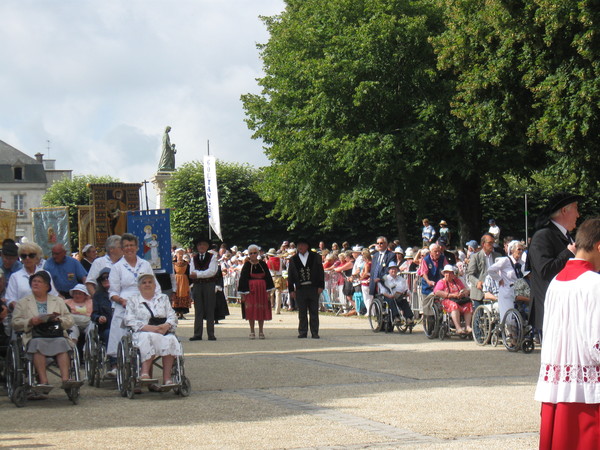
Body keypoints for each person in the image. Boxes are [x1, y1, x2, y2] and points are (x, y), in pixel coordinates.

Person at [534, 218, 600, 449]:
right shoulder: (594, 284)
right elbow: (597, 342)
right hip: (588, 394)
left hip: (558, 388)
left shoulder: (556, 282)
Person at [527, 192, 582, 334]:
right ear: (564, 210)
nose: (578, 215)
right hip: (551, 310)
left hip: (566, 309)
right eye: (576, 208)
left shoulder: (566, 237)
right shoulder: (543, 235)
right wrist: (568, 253)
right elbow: (545, 271)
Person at [11, 271, 75, 388]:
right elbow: (15, 323)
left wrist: (59, 320)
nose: (35, 284)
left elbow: (70, 320)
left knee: (61, 342)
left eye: (39, 282)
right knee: (37, 343)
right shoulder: (23, 303)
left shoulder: (58, 301)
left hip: (55, 333)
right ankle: (43, 381)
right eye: (34, 281)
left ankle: (66, 379)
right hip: (34, 334)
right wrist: (30, 321)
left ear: (47, 286)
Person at [108, 234, 159, 370]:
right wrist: (121, 300)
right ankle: (117, 362)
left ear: (136, 247)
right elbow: (113, 292)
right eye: (126, 246)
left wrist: (158, 301)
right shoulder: (117, 267)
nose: (129, 248)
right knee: (121, 325)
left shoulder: (145, 264)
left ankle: (146, 370)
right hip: (124, 303)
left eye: (131, 245)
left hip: (145, 301)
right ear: (122, 248)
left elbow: (155, 285)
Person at [124, 272, 181, 387]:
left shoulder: (163, 298)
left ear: (155, 285)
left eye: (150, 282)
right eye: (144, 283)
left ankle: (167, 378)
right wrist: (150, 328)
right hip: (142, 332)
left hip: (163, 331)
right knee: (149, 337)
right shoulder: (133, 300)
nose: (147, 285)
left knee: (171, 340)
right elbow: (129, 320)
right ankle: (145, 373)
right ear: (139, 287)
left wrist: (166, 326)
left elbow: (172, 315)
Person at [287, 238, 324, 339]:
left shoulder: (315, 256)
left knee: (314, 311)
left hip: (313, 287)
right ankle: (302, 331)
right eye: (299, 245)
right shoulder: (293, 259)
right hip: (300, 288)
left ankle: (315, 332)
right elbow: (290, 275)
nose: (300, 247)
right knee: (302, 311)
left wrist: (321, 286)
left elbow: (321, 272)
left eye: (302, 245)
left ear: (307, 246)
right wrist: (291, 289)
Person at [5, 242, 59, 310]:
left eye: (31, 255)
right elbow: (9, 299)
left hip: (45, 313)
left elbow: (53, 295)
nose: (27, 258)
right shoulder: (15, 277)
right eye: (24, 256)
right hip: (23, 314)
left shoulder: (45, 274)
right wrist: (13, 304)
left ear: (37, 257)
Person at [237, 244, 275, 339]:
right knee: (251, 310)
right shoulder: (246, 265)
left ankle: (261, 331)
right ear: (248, 254)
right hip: (251, 291)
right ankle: (252, 331)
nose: (253, 255)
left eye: (254, 253)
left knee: (261, 309)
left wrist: (268, 292)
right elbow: (242, 279)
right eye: (251, 253)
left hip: (261, 290)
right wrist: (243, 293)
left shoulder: (262, 264)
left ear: (257, 253)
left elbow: (268, 278)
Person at [486, 240, 526, 320]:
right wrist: (499, 279)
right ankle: (508, 330)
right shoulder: (505, 260)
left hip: (518, 291)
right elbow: (490, 270)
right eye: (519, 249)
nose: (521, 251)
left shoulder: (522, 263)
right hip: (506, 290)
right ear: (512, 250)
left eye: (522, 249)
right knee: (508, 317)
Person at [189, 236, 219, 341]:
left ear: (207, 246)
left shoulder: (213, 257)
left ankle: (211, 333)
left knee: (210, 308)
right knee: (198, 309)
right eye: (199, 245)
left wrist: (198, 275)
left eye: (203, 244)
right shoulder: (193, 258)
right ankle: (197, 333)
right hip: (197, 285)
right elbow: (191, 272)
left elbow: (212, 272)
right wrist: (200, 275)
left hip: (209, 284)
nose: (201, 246)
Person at [434, 265, 472, 334]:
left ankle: (468, 326)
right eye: (446, 273)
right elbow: (437, 292)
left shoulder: (457, 281)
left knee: (468, 304)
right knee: (454, 305)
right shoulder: (441, 282)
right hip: (447, 300)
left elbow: (465, 290)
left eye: (450, 273)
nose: (448, 275)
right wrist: (451, 295)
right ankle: (458, 328)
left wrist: (462, 294)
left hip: (459, 299)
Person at [466, 233, 501, 310]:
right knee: (479, 317)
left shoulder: (498, 256)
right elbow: (470, 275)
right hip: (479, 292)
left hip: (495, 290)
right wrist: (477, 282)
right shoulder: (475, 257)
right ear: (483, 244)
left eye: (493, 243)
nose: (492, 245)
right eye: (490, 243)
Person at [91, 268, 113, 357]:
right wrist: (99, 318)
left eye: (108, 277)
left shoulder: (122, 293)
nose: (105, 280)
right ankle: (113, 364)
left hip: (122, 326)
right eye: (102, 279)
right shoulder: (98, 295)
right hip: (106, 327)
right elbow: (93, 314)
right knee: (109, 333)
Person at [172, 248, 192, 320]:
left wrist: (190, 282)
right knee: (176, 294)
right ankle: (176, 312)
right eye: (178, 253)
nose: (180, 255)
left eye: (181, 253)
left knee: (183, 294)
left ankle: (182, 313)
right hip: (176, 279)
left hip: (184, 281)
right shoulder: (173, 263)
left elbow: (189, 273)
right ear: (176, 254)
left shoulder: (186, 264)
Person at [266, 248, 285, 314]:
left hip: (272, 277)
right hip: (279, 277)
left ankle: (269, 307)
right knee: (278, 294)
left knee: (270, 293)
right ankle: (277, 310)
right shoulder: (280, 260)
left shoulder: (269, 261)